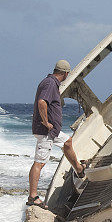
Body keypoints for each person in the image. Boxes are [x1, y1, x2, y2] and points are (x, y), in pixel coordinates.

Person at [27, 59, 85, 208]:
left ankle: (79, 170)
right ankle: (32, 197)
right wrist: (46, 122)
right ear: (65, 73)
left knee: (67, 142)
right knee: (39, 163)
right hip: (46, 131)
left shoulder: (49, 82)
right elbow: (42, 102)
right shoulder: (50, 83)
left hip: (53, 131)